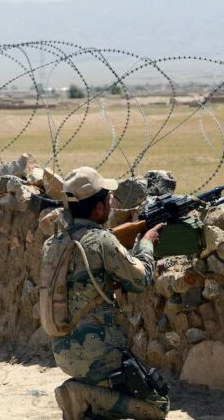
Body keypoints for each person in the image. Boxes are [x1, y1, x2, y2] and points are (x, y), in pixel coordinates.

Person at [45, 166, 169, 419]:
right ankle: (79, 395)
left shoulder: (54, 243)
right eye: (109, 198)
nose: (113, 202)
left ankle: (87, 401)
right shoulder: (101, 240)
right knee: (158, 405)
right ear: (99, 208)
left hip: (64, 351)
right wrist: (147, 243)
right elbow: (141, 280)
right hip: (99, 355)